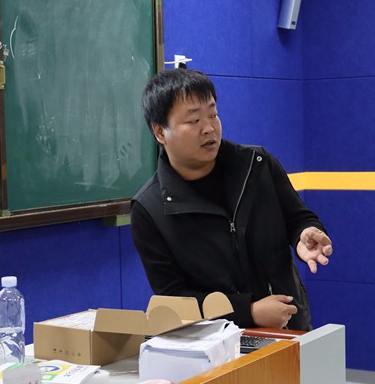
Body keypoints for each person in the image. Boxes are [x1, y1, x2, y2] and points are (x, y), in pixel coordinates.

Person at [130, 69, 332, 331]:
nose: (209, 128)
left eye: (213, 115)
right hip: (214, 342)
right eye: (194, 120)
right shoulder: (149, 209)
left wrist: (305, 234)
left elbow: (298, 217)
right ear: (160, 132)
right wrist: (248, 312)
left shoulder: (256, 164)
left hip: (288, 325)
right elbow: (174, 298)